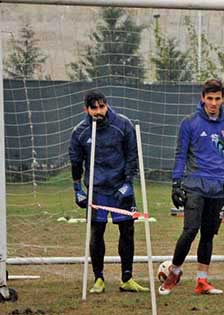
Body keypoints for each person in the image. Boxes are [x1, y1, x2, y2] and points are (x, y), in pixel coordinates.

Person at [159, 79, 224, 296]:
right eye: (210, 98)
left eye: (218, 98)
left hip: (218, 187)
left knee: (208, 235)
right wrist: (176, 183)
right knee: (190, 230)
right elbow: (180, 154)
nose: (213, 103)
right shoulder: (189, 123)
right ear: (203, 98)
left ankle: (202, 281)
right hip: (195, 185)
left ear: (223, 99)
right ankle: (173, 273)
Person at [68, 90, 148, 293]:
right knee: (96, 232)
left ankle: (127, 278)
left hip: (120, 188)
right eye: (93, 108)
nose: (98, 111)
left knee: (127, 231)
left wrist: (128, 182)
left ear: (106, 105)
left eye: (101, 106)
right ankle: (98, 279)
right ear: (86, 109)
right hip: (96, 190)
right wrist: (78, 188)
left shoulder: (123, 124)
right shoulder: (80, 132)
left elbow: (132, 156)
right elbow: (76, 163)